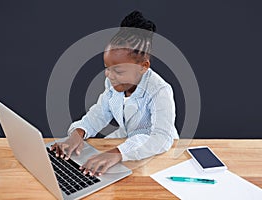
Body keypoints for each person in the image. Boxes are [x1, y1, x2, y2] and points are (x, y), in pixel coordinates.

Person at [51, 10, 179, 176]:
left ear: (143, 67)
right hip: (127, 143)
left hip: (158, 153)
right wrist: (78, 133)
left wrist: (117, 154)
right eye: (107, 68)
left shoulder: (160, 91)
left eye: (117, 71)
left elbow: (161, 138)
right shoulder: (114, 84)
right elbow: (99, 113)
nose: (109, 75)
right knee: (87, 165)